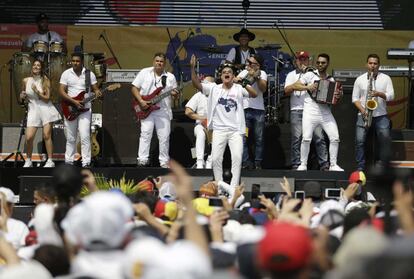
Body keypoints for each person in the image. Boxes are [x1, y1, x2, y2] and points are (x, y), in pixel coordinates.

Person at [190, 54, 257, 186]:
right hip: (219, 130)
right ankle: (219, 185)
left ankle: (233, 186)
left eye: (229, 72)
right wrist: (192, 68)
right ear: (221, 76)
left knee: (237, 158)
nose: (226, 74)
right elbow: (197, 84)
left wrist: (243, 82)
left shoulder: (238, 88)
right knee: (215, 159)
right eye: (224, 72)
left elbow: (254, 94)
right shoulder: (214, 88)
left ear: (233, 76)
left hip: (236, 131)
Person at [291, 53, 344, 171]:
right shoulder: (310, 75)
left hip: (325, 112)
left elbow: (335, 100)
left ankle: (333, 164)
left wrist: (338, 95)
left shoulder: (331, 79)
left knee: (335, 137)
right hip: (310, 111)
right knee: (306, 138)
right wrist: (307, 87)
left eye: (323, 63)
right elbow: (295, 85)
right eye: (318, 62)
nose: (320, 65)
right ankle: (303, 164)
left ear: (328, 64)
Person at [131, 52, 179, 168]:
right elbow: (134, 88)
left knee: (164, 137)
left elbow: (175, 94)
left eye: (161, 61)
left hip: (163, 110)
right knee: (145, 134)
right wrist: (141, 101)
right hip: (146, 107)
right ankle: (142, 160)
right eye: (157, 61)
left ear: (165, 64)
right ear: (153, 62)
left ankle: (164, 162)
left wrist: (175, 94)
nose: (159, 63)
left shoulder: (170, 77)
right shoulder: (144, 72)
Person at [284, 51, 329, 170]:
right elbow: (287, 90)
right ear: (296, 62)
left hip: (313, 109)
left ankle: (324, 164)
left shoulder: (315, 74)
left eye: (305, 59)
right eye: (300, 59)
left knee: (319, 136)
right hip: (297, 109)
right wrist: (303, 82)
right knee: (297, 138)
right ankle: (296, 164)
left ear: (309, 61)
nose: (302, 62)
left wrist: (308, 75)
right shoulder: (291, 74)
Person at [59, 53, 102, 168]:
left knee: (85, 136)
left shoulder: (89, 74)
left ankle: (86, 162)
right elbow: (62, 91)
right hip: (70, 108)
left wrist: (97, 92)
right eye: (73, 61)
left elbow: (95, 88)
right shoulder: (66, 73)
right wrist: (74, 102)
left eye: (77, 61)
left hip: (85, 109)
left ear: (82, 62)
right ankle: (69, 162)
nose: (75, 63)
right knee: (71, 137)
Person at [352, 54, 394, 170]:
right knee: (359, 140)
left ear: (379, 65)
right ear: (367, 64)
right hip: (363, 114)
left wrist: (379, 94)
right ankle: (360, 166)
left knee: (385, 138)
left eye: (375, 63)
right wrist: (362, 109)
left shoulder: (386, 78)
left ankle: (382, 164)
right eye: (370, 63)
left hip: (381, 115)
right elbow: (355, 98)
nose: (373, 66)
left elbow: (391, 96)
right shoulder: (360, 79)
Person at [19, 60, 61, 168]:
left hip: (46, 108)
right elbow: (22, 97)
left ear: (41, 68)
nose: (36, 67)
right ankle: (28, 160)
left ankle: (50, 160)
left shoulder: (45, 80)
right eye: (34, 65)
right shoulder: (25, 80)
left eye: (38, 65)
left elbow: (47, 99)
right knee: (29, 137)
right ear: (32, 67)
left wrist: (37, 91)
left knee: (46, 135)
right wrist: (22, 96)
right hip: (33, 109)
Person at [234, 54, 267, 169]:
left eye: (251, 63)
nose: (248, 64)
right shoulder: (243, 72)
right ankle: (246, 162)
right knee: (243, 138)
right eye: (248, 62)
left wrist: (256, 77)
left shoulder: (262, 73)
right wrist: (237, 80)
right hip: (244, 109)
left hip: (258, 110)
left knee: (259, 138)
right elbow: (233, 84)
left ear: (258, 65)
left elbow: (263, 89)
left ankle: (258, 163)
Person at [185, 76, 215, 169]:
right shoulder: (198, 95)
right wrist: (202, 118)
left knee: (218, 138)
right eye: (204, 82)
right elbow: (188, 111)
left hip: (215, 126)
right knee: (201, 134)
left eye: (208, 83)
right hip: (200, 125)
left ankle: (210, 162)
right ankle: (199, 162)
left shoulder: (219, 95)